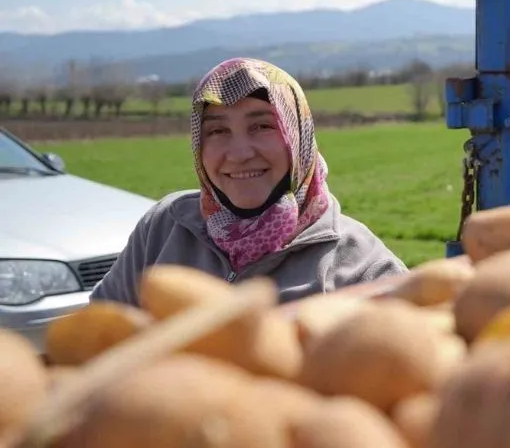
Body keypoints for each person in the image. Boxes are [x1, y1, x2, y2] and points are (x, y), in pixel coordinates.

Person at [90, 57, 408, 306]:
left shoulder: (363, 266)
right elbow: (98, 334)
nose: (239, 154)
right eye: (217, 131)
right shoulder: (164, 228)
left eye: (262, 126)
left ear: (298, 135)